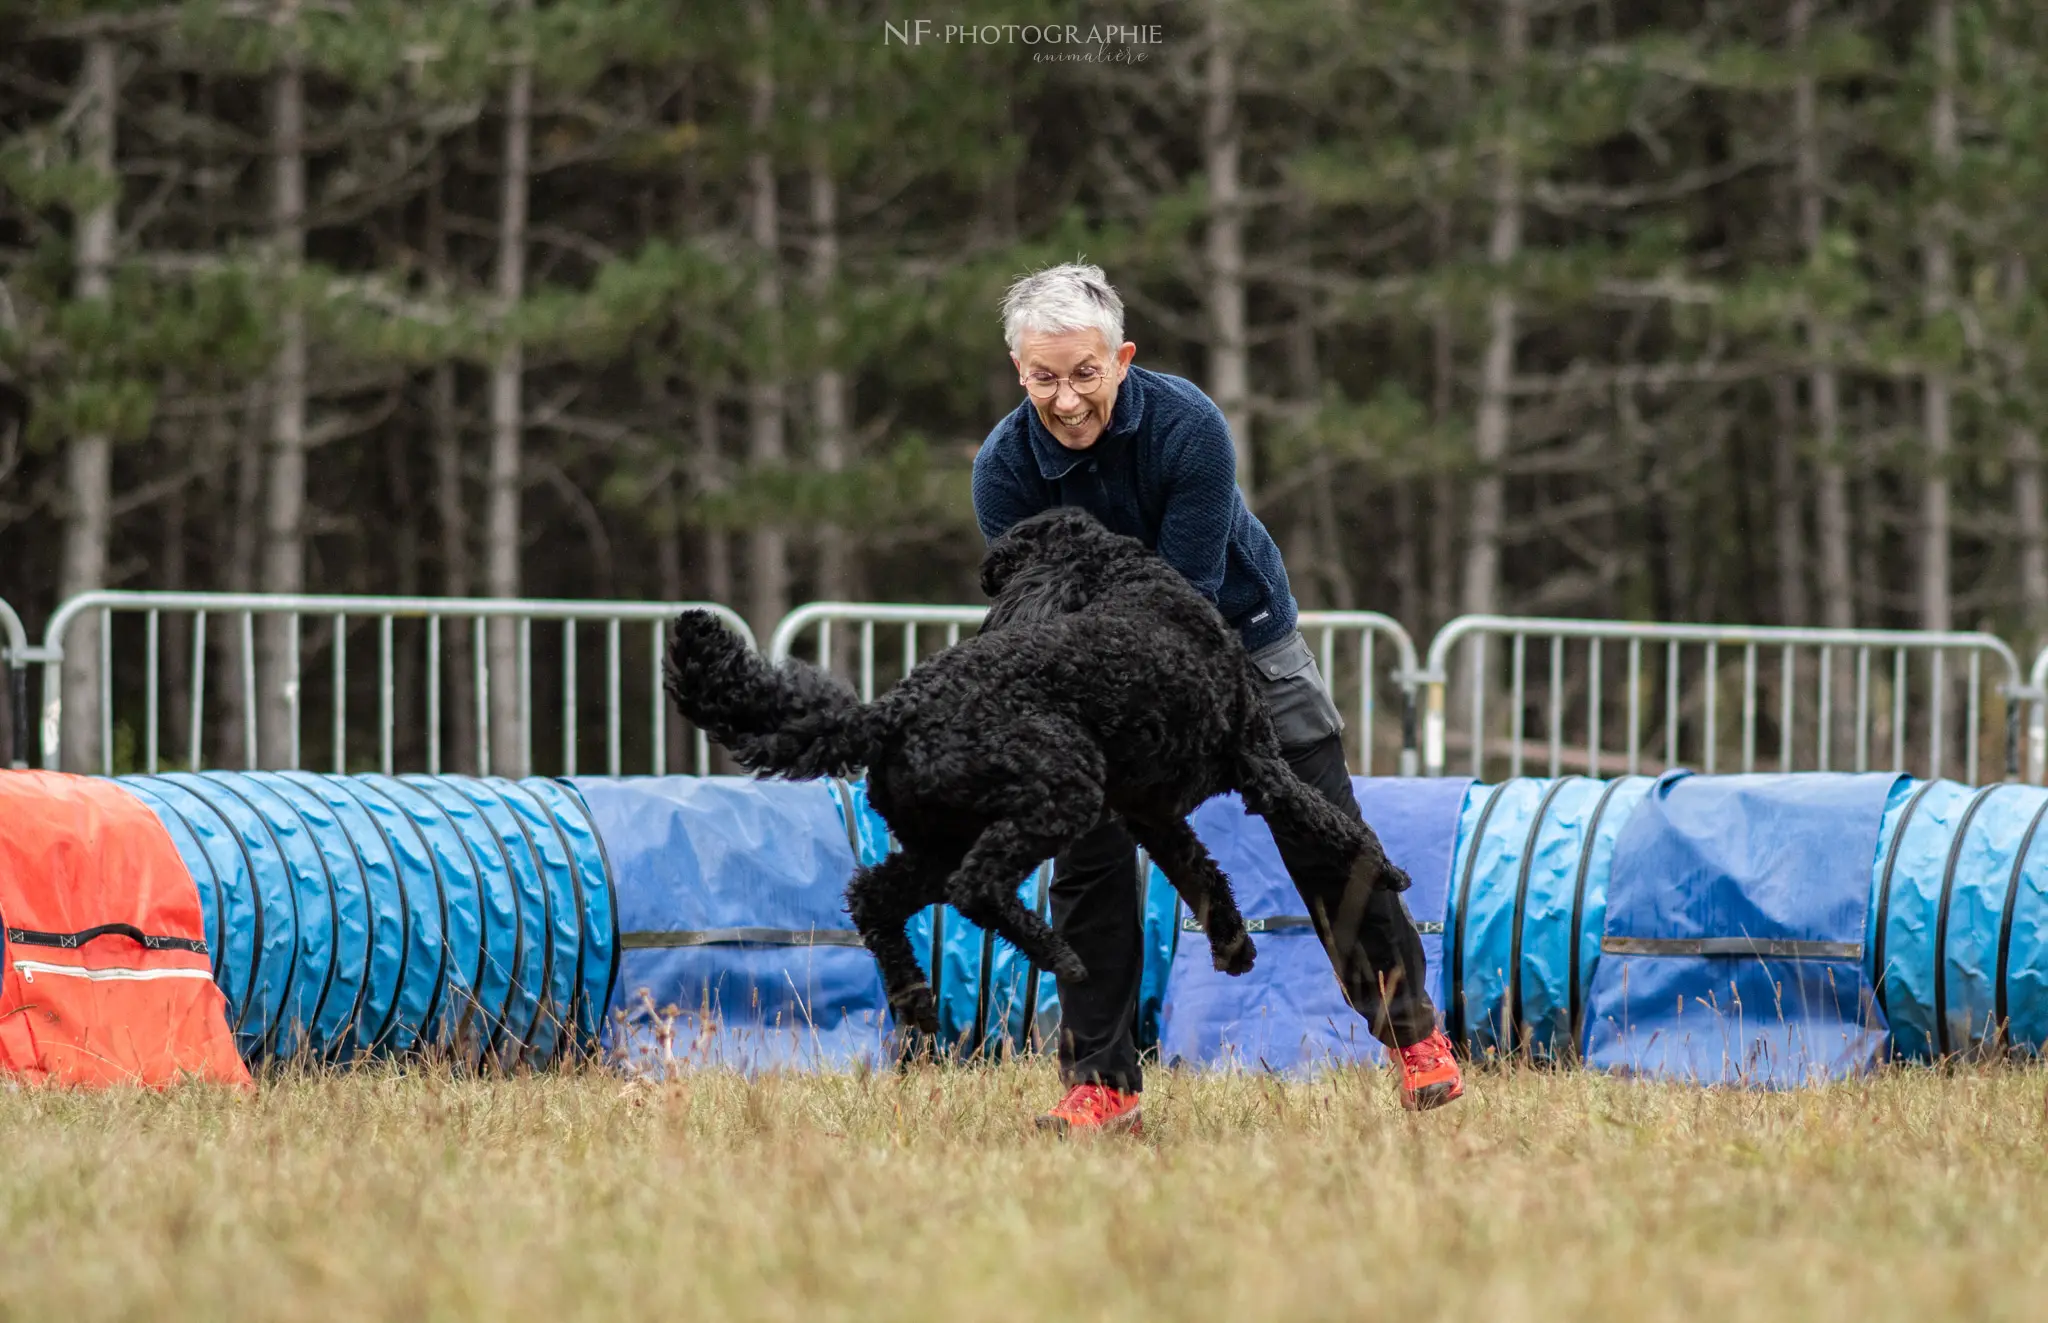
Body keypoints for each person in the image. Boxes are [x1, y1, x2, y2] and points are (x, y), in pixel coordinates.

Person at [971, 263, 1464, 1134]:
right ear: (1019, 371)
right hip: (1095, 672)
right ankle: (1102, 1079)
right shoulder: (1004, 472)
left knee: (1322, 830)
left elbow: (1184, 594)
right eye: (1045, 377)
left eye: (1085, 373)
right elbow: (1033, 612)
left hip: (1238, 636)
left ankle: (1412, 1035)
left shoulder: (1188, 427)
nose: (1069, 398)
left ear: (1122, 357)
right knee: (1086, 857)